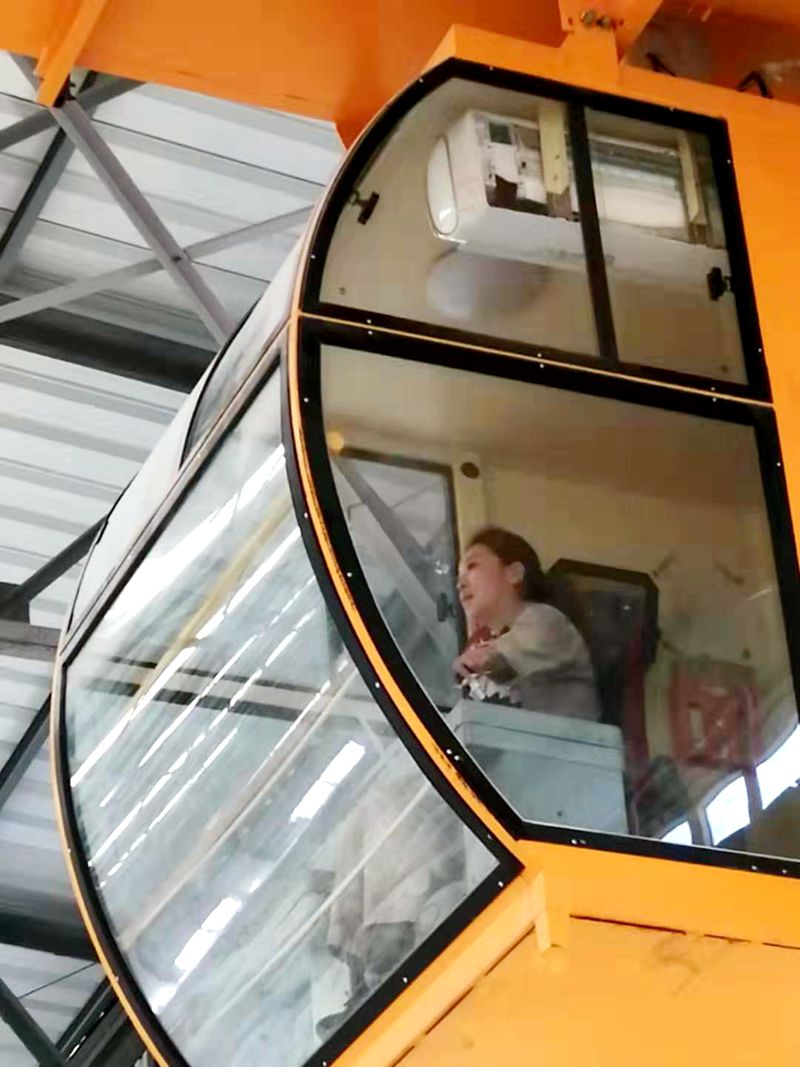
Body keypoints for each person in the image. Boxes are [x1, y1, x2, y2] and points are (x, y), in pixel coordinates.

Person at [453, 526, 600, 720]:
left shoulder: (545, 620)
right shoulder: (496, 644)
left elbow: (502, 657)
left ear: (514, 573)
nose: (460, 584)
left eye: (472, 566)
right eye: (458, 576)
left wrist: (478, 657)